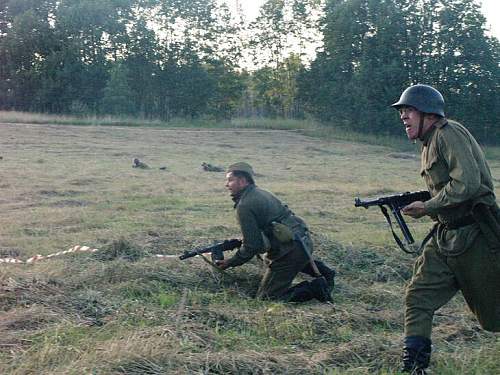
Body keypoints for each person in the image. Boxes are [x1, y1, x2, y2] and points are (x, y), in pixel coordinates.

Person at [391, 84, 500, 374]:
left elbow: (468, 184)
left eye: (408, 110)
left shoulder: (448, 133)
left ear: (428, 113)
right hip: (446, 236)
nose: (403, 116)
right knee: (418, 297)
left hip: (475, 236)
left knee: (494, 315)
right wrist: (423, 202)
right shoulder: (428, 144)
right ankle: (414, 368)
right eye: (401, 111)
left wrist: (427, 207)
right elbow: (445, 188)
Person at [216, 162, 336, 303]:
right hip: (303, 241)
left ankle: (313, 289)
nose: (226, 185)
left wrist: (230, 262)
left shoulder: (244, 205)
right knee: (274, 261)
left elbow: (252, 245)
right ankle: (324, 272)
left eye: (230, 180)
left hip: (290, 251)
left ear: (242, 181)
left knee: (266, 299)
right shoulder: (261, 192)